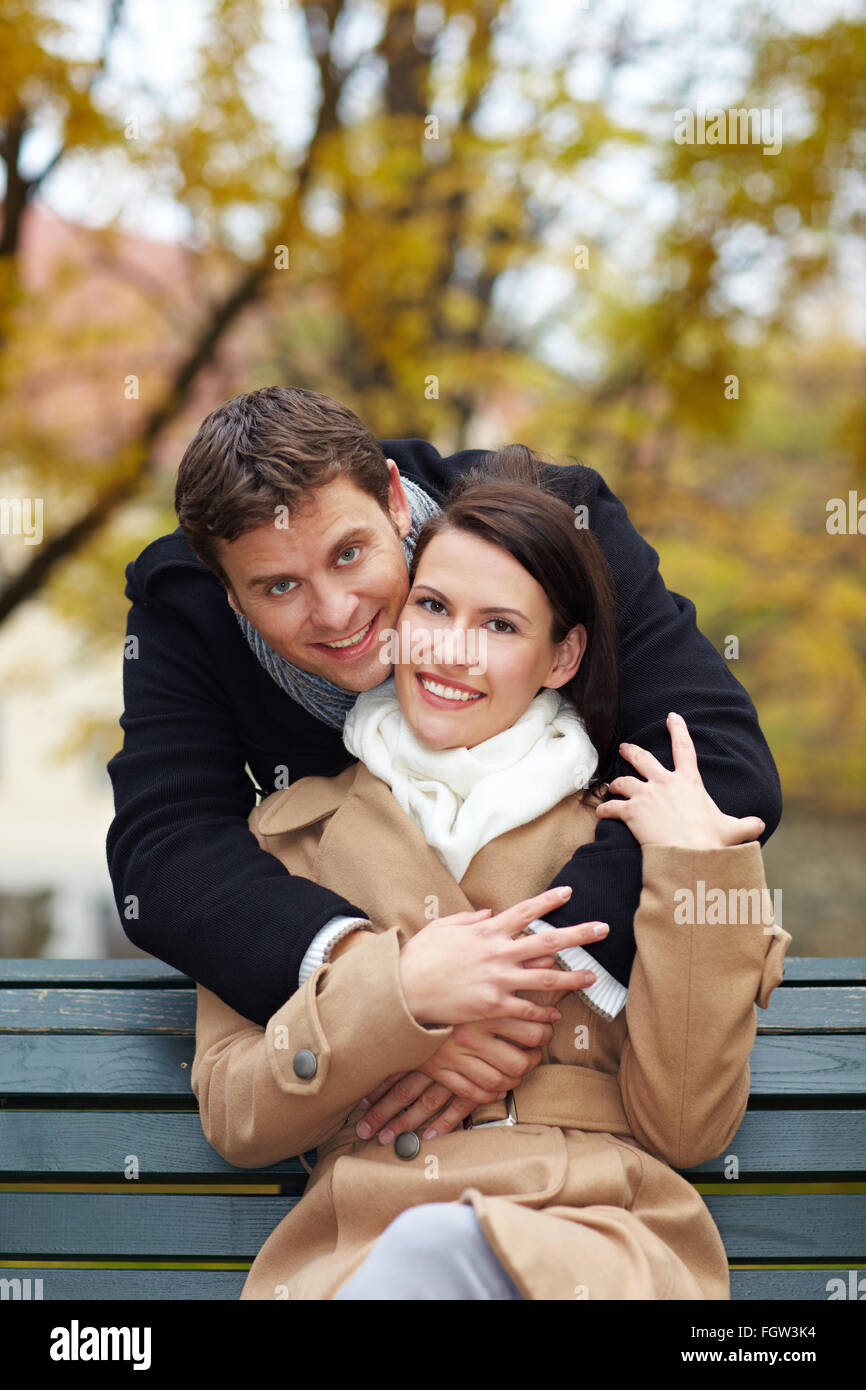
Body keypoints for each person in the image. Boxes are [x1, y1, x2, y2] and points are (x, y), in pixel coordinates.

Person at [190, 452, 792, 1299]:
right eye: (432, 607)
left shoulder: (630, 834)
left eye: (502, 626)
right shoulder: (286, 842)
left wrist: (700, 867)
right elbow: (236, 1115)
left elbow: (688, 1127)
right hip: (365, 1241)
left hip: (591, 1238)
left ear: (560, 656)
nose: (452, 651)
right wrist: (401, 1002)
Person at [107, 384, 783, 1135]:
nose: (335, 613)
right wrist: (391, 992)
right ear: (232, 597)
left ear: (396, 501)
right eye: (280, 587)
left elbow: (715, 764)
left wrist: (513, 981)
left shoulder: (554, 520)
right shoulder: (187, 604)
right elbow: (166, 853)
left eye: (350, 553)